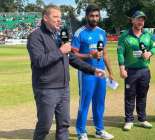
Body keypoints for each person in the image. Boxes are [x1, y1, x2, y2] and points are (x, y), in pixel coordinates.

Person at [27, 5, 105, 140]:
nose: (59, 20)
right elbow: (39, 61)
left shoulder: (58, 36)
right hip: (46, 89)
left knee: (64, 125)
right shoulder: (35, 36)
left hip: (64, 88)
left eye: (60, 17)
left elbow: (72, 58)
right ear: (45, 18)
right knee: (44, 126)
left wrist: (92, 70)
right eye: (55, 17)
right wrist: (60, 51)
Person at [71, 4, 114, 140]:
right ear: (87, 16)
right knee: (85, 102)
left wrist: (111, 72)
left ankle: (99, 130)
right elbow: (72, 55)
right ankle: (81, 132)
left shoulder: (101, 32)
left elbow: (105, 54)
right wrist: (90, 56)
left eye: (97, 16)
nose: (94, 18)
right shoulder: (80, 33)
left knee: (99, 102)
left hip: (101, 73)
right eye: (92, 16)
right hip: (86, 73)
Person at [117, 10, 155, 131]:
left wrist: (150, 53)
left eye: (142, 19)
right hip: (130, 71)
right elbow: (120, 53)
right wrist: (122, 68)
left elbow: (154, 47)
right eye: (138, 19)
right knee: (129, 96)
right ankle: (129, 120)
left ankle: (142, 119)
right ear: (132, 20)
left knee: (142, 95)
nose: (140, 22)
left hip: (144, 70)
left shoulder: (148, 35)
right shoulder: (124, 36)